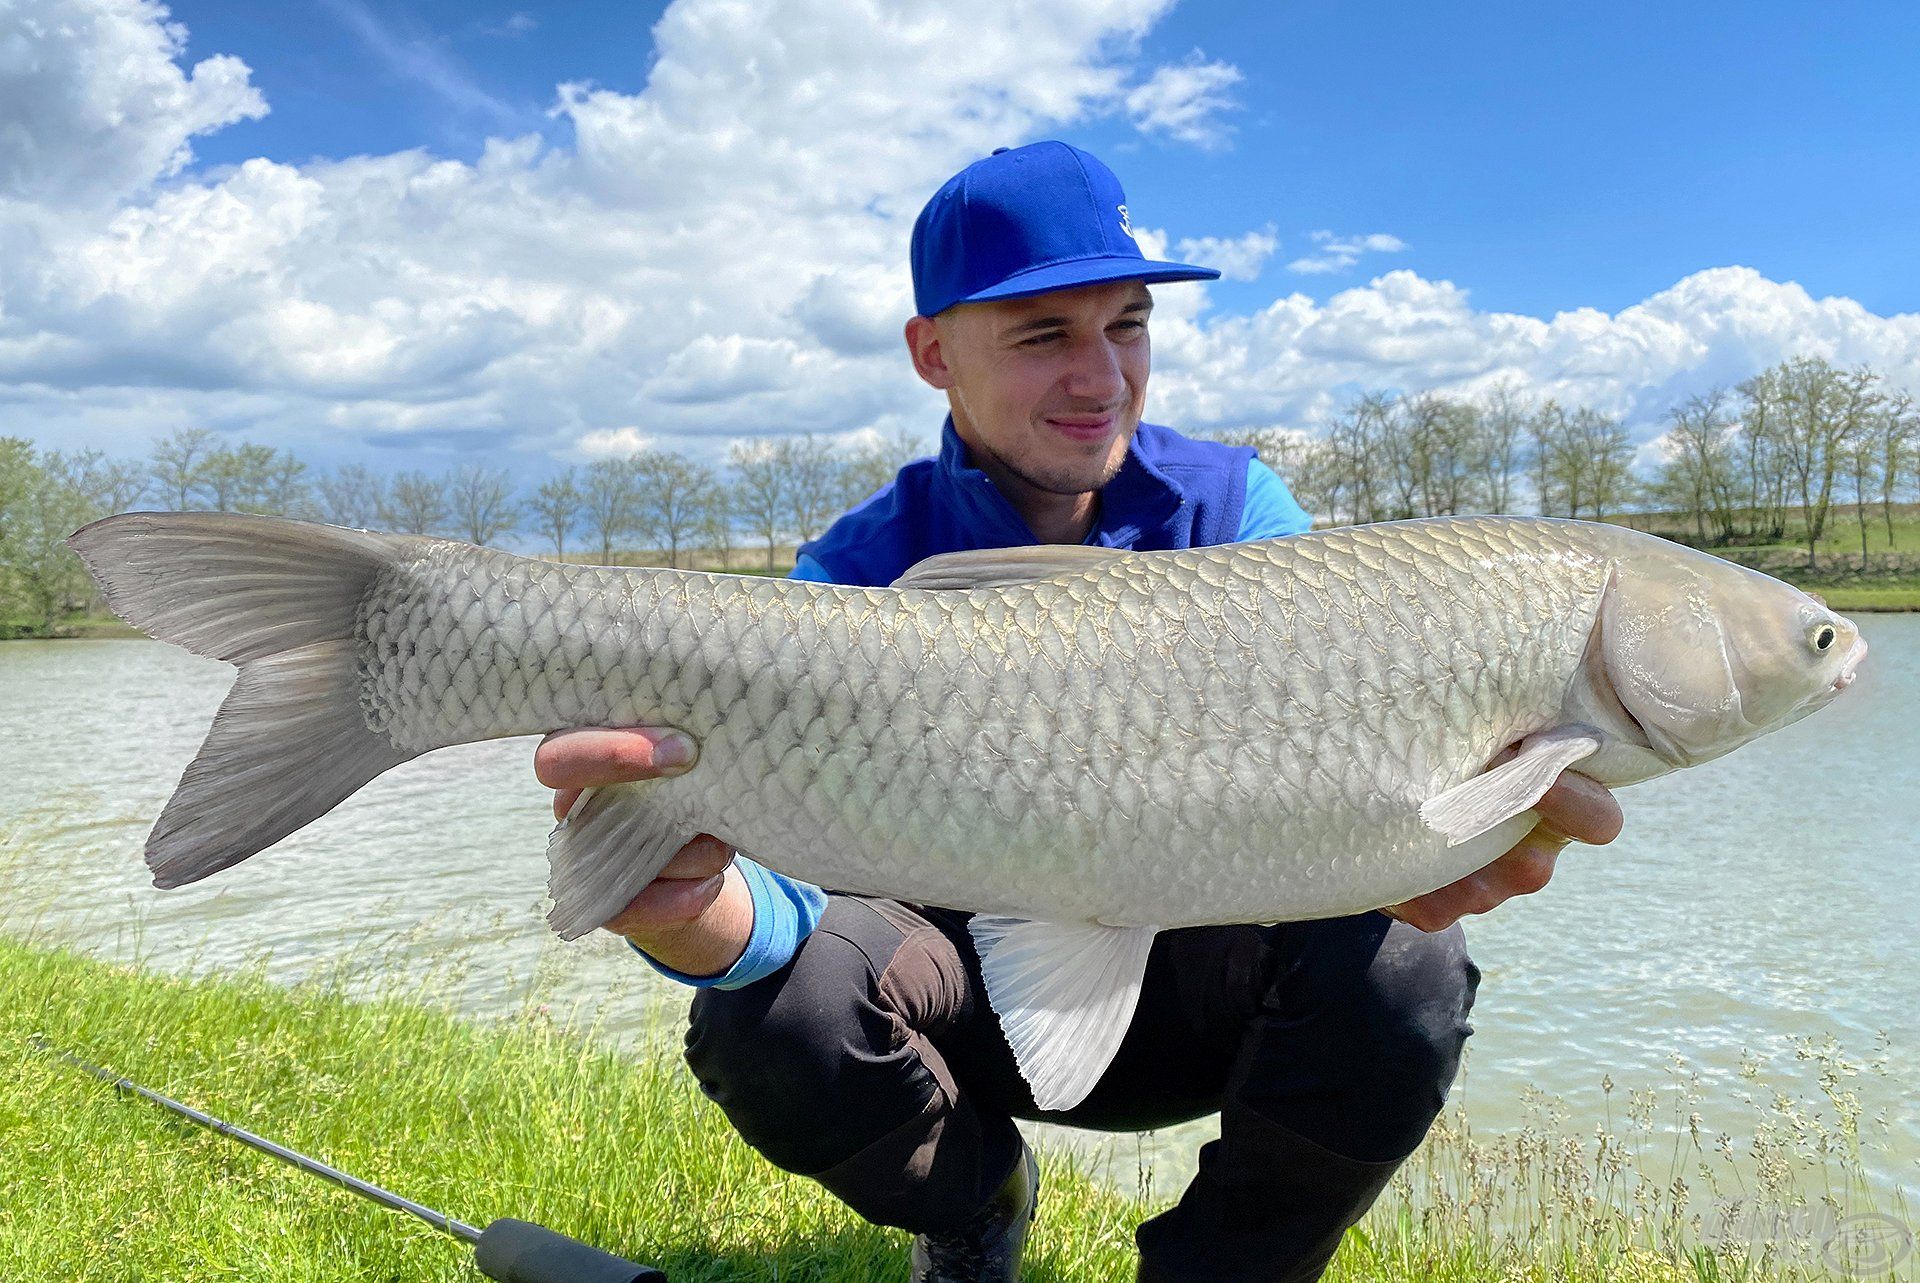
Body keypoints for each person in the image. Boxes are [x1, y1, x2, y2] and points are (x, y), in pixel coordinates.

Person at [533, 142, 1623, 1282]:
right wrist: (680, 911)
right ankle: (972, 1206)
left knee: (1410, 954)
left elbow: (1370, 799)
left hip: (1201, 971)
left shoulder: (1241, 510)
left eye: (1129, 324)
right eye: (1044, 333)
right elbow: (784, 904)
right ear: (932, 352)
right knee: (763, 1019)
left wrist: (1433, 829)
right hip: (955, 993)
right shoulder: (850, 572)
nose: (1101, 376)